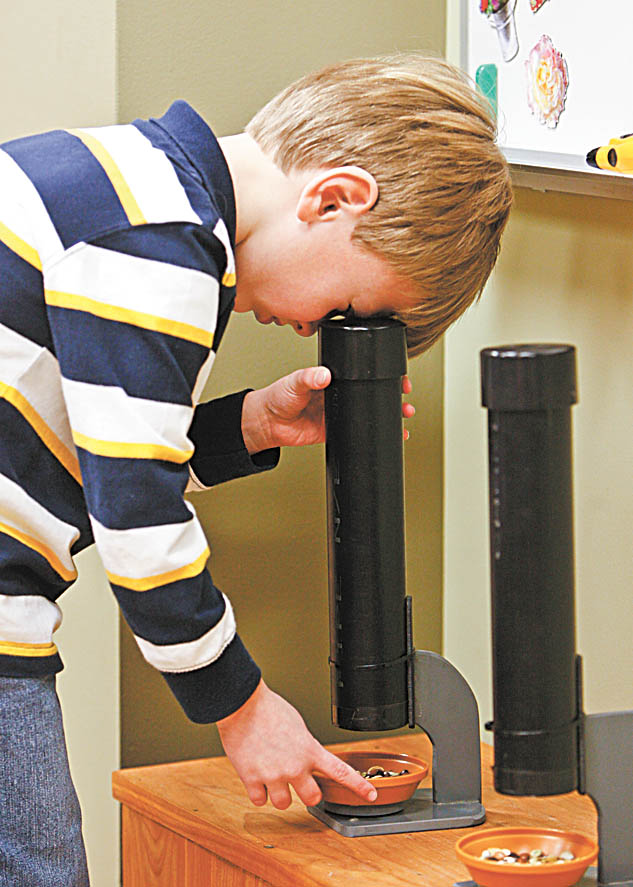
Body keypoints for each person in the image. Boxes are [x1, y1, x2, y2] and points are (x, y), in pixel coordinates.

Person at [0, 53, 512, 885]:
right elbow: (135, 513)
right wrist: (241, 706)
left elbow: (90, 454)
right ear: (334, 198)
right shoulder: (158, 247)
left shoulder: (122, 186)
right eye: (344, 308)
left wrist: (246, 425)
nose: (315, 328)